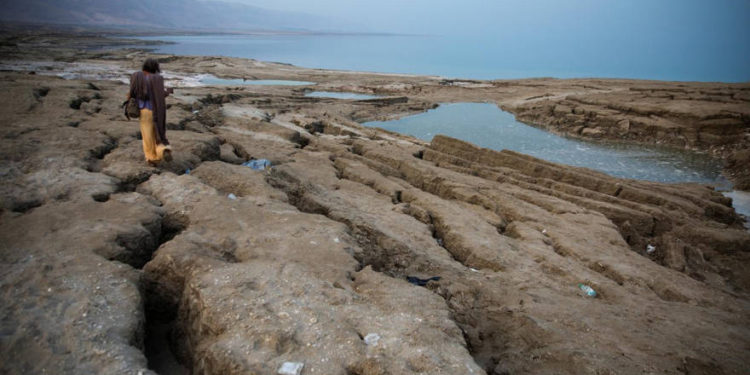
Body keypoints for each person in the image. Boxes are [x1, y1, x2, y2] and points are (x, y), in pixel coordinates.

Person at [128, 58, 173, 165]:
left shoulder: (136, 76)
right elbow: (160, 95)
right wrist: (168, 91)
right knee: (158, 132)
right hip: (156, 110)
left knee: (147, 135)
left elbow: (132, 92)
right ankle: (162, 150)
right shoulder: (157, 78)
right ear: (155, 67)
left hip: (143, 110)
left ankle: (152, 158)